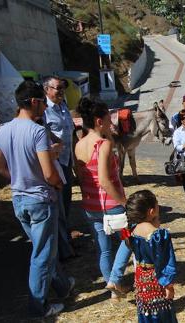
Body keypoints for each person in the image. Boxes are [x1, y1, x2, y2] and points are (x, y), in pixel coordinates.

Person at [0, 80, 74, 317]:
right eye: (42, 102)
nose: (44, 108)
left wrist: (18, 178)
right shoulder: (38, 132)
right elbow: (49, 172)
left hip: (19, 199)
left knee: (43, 248)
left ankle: (61, 285)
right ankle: (37, 307)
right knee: (41, 255)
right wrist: (58, 184)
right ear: (33, 102)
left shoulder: (3, 130)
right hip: (41, 199)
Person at [74, 97, 132, 298]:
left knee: (104, 249)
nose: (111, 122)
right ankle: (115, 280)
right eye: (109, 119)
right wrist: (125, 203)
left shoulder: (79, 145)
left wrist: (109, 134)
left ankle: (113, 290)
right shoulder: (103, 144)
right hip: (112, 204)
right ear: (99, 121)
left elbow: (81, 177)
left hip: (91, 206)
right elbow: (105, 181)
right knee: (129, 239)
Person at [125, 190, 178, 322]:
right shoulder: (158, 235)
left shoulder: (132, 229)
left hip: (141, 280)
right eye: (157, 204)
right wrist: (168, 285)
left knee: (147, 312)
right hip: (156, 281)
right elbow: (166, 263)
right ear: (151, 211)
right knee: (162, 313)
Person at [42, 76, 77, 260]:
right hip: (55, 163)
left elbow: (70, 133)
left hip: (67, 160)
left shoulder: (63, 106)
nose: (61, 91)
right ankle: (63, 246)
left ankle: (66, 237)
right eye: (57, 88)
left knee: (67, 200)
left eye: (62, 88)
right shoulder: (44, 110)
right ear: (47, 89)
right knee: (59, 204)